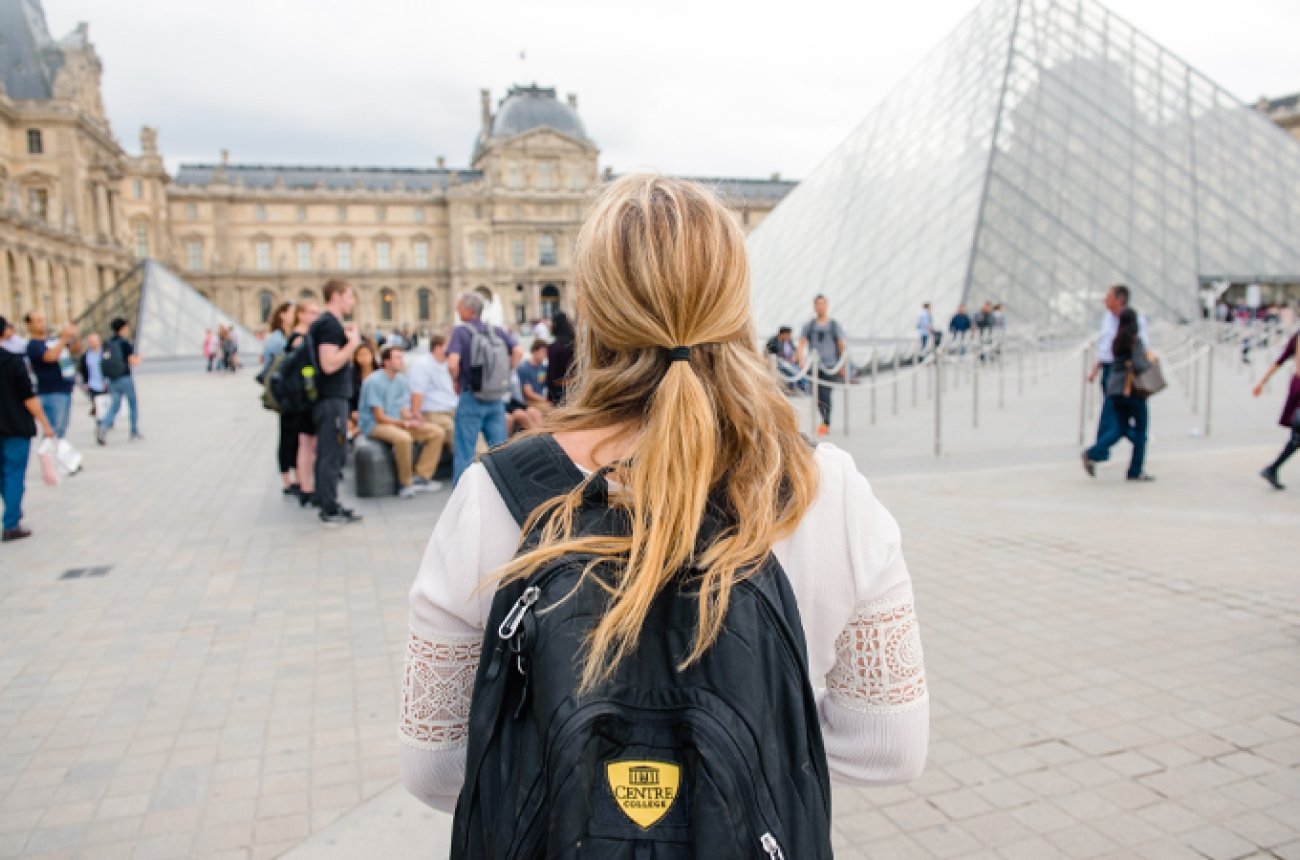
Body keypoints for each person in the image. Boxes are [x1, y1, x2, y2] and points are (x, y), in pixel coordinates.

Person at [398, 175, 928, 833]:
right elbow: (892, 747)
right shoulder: (829, 490)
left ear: (588, 307)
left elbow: (435, 767)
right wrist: (740, 760)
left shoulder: (492, 497)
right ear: (736, 301)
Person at [446, 291, 522, 485]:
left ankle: (461, 499)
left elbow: (453, 363)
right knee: (500, 450)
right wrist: (505, 373)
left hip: (471, 395)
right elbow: (518, 351)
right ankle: (508, 493)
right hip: (495, 397)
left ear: (468, 310)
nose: (456, 309)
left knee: (465, 451)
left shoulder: (461, 332)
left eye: (458, 306)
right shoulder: (496, 329)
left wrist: (455, 380)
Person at [309, 279, 363, 525]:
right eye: (350, 296)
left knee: (328, 452)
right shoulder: (330, 325)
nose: (352, 302)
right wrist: (352, 344)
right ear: (337, 296)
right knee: (333, 452)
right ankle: (330, 508)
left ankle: (326, 502)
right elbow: (329, 364)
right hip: (332, 400)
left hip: (329, 399)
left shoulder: (324, 324)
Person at [358, 345, 443, 498]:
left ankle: (422, 476)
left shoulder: (400, 380)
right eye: (397, 358)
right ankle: (405, 484)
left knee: (436, 432)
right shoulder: (373, 381)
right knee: (404, 438)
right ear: (386, 362)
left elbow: (402, 408)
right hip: (374, 425)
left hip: (395, 421)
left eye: (401, 357)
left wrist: (413, 417)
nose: (401, 361)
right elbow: (379, 416)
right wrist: (405, 424)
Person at [1081, 308, 1154, 482]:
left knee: (1119, 428)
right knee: (1141, 431)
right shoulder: (1135, 341)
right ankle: (1135, 470)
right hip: (1132, 391)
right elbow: (1139, 365)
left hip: (1115, 389)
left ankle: (1093, 452)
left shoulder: (1117, 340)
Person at [1, 316, 55, 542]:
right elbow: (28, 397)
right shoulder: (12, 361)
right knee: (14, 473)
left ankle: (12, 510)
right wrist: (45, 423)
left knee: (3, 475)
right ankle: (11, 524)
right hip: (15, 426)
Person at [1086, 285, 1149, 447]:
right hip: (1109, 370)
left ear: (1120, 299)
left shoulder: (1134, 320)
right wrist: (1095, 370)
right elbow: (1104, 349)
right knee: (1113, 415)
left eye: (1108, 296)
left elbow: (1142, 348)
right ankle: (1133, 443)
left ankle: (1098, 450)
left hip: (1124, 372)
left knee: (1113, 414)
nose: (1104, 300)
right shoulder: (1107, 319)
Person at [1253, 326, 1300, 489]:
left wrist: (1262, 382)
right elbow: (1280, 361)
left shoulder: (1296, 337)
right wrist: (1261, 382)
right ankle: (1272, 469)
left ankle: (1272, 469)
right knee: (1297, 437)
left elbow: (1279, 361)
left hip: (1297, 387)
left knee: (1297, 438)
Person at [23, 311, 79, 440]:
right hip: (51, 391)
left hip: (65, 388)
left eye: (43, 320)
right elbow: (50, 357)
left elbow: (75, 349)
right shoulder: (33, 345)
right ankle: (49, 455)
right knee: (54, 429)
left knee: (62, 428)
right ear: (29, 325)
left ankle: (54, 454)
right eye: (38, 321)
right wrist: (64, 338)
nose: (42, 324)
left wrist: (73, 335)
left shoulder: (53, 341)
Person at [796, 293, 846, 436]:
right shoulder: (809, 325)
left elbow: (841, 344)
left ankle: (825, 422)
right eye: (818, 304)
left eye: (823, 304)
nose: (820, 307)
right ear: (814, 306)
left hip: (830, 365)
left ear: (827, 306)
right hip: (814, 366)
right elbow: (801, 343)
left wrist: (842, 364)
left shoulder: (834, 325)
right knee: (817, 395)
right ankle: (824, 420)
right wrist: (801, 359)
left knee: (826, 394)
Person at [285, 301, 320, 508]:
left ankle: (305, 483)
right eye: (312, 312)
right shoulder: (300, 339)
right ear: (301, 315)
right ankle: (306, 486)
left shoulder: (301, 337)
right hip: (302, 397)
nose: (316, 316)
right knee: (306, 444)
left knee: (305, 443)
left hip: (300, 397)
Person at [263, 302, 299, 495]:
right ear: (283, 315)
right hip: (283, 394)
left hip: (287, 393)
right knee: (286, 437)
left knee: (291, 436)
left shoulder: (283, 337)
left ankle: (291, 477)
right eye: (294, 313)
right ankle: (287, 481)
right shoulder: (277, 340)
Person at [408, 333, 457, 471]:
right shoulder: (422, 365)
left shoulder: (447, 364)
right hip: (433, 411)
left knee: (471, 428)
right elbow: (417, 392)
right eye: (449, 345)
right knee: (455, 432)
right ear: (437, 348)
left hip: (451, 408)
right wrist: (416, 413)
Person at [97, 317, 141, 444]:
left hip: (112, 379)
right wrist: (140, 359)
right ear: (122, 328)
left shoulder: (108, 342)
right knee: (132, 404)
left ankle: (103, 426)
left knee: (114, 406)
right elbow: (133, 361)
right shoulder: (124, 343)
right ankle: (134, 431)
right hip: (125, 377)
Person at [348, 337, 379, 439]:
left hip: (376, 412)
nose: (363, 358)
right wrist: (351, 412)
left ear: (372, 355)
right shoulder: (351, 374)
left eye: (366, 354)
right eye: (360, 355)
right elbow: (348, 397)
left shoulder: (379, 372)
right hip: (357, 411)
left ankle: (356, 431)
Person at [546, 310, 575, 407]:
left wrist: (550, 396)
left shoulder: (555, 347)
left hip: (560, 389)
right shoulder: (576, 343)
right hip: (576, 387)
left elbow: (552, 373)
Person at [76, 332, 107, 420]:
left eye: (95, 341)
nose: (93, 343)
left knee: (106, 403)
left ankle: (107, 421)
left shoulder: (105, 353)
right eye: (91, 341)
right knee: (96, 404)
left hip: (106, 383)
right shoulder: (86, 356)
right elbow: (83, 370)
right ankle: (99, 423)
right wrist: (85, 382)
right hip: (93, 384)